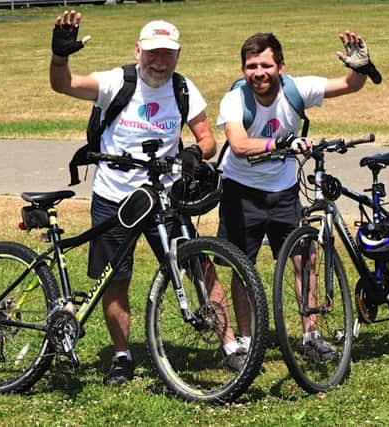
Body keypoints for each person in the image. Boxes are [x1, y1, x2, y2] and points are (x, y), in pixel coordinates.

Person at [49, 11, 251, 386]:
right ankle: (122, 357)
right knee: (116, 280)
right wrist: (60, 56)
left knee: (200, 268)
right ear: (138, 50)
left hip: (165, 198)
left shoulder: (183, 88)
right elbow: (64, 84)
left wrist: (195, 152)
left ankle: (230, 347)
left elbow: (207, 138)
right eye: (153, 52)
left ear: (178, 54)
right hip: (116, 198)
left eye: (168, 53)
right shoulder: (116, 82)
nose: (160, 60)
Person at [217, 31, 377, 361]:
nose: (257, 73)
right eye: (250, 66)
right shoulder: (235, 99)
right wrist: (280, 144)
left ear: (280, 66)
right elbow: (238, 144)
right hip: (240, 192)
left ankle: (310, 336)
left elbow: (348, 85)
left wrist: (360, 67)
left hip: (284, 191)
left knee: (306, 260)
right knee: (241, 267)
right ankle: (246, 342)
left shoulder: (296, 89)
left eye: (265, 65)